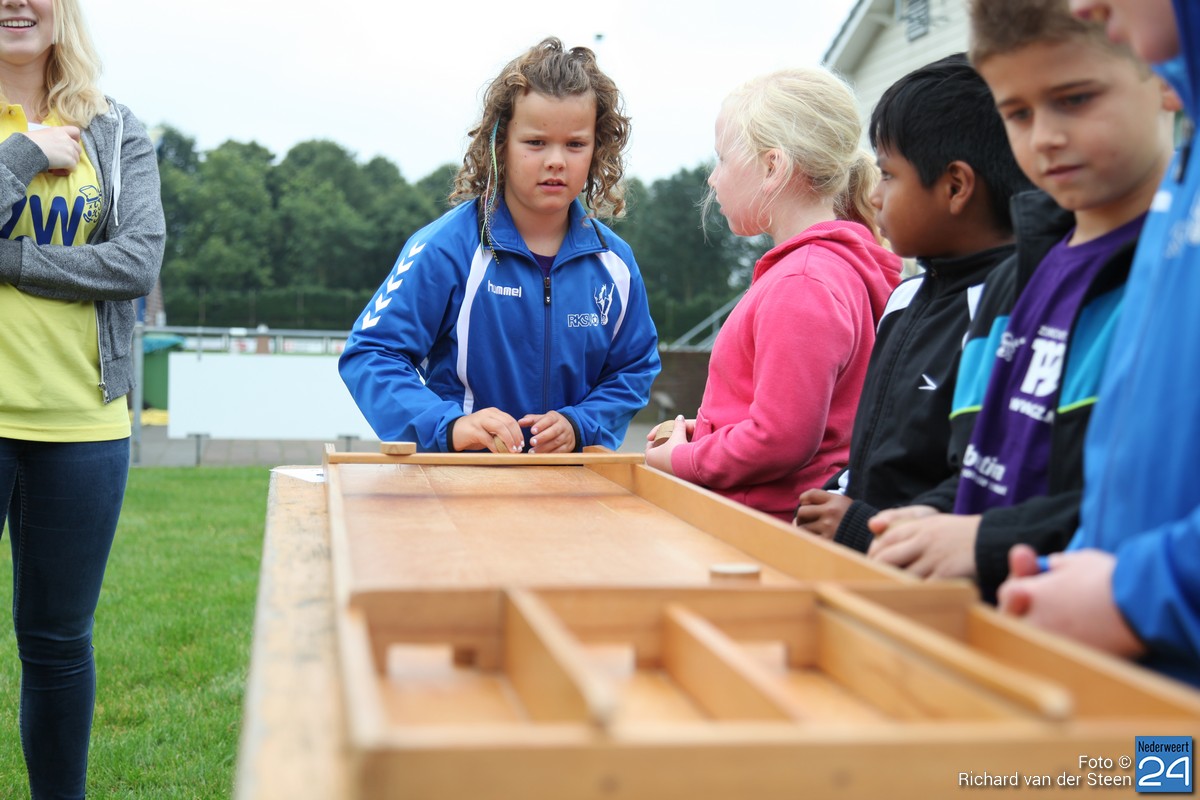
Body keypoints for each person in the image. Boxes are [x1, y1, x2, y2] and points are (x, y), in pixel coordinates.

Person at [865, 0, 1177, 603]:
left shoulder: (1173, 275)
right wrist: (929, 518)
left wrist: (986, 540)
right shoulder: (1010, 284)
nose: (1045, 137)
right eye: (1017, 112)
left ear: (1164, 80)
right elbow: (982, 470)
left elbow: (1156, 508)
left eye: (1075, 99)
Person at [997, 0, 1200, 688]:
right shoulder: (1187, 168)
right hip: (1144, 696)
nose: (1082, 6)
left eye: (1076, 98)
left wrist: (1134, 595)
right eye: (1017, 112)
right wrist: (1076, 573)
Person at [340, 38, 660, 454]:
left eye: (575, 144)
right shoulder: (446, 249)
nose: (556, 160)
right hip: (463, 481)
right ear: (500, 143)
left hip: (575, 484)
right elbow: (371, 354)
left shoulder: (616, 264)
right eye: (536, 142)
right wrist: (449, 426)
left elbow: (634, 369)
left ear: (597, 148)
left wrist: (580, 424)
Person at [0, 0, 166, 795]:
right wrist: (21, 155)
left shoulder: (116, 129)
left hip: (82, 425)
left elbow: (135, 263)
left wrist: (12, 260)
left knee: (59, 643)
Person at [794, 53, 1031, 550]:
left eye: (888, 174)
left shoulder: (1012, 309)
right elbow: (873, 444)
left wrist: (862, 525)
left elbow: (988, 480)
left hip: (930, 568)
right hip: (868, 556)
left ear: (955, 187)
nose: (874, 197)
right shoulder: (904, 296)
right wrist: (838, 493)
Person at [644, 67, 902, 521]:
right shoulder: (828, 269)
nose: (713, 179)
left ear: (772, 167)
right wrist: (707, 431)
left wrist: (683, 459)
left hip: (767, 532)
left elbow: (779, 438)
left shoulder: (802, 282)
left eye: (722, 159)